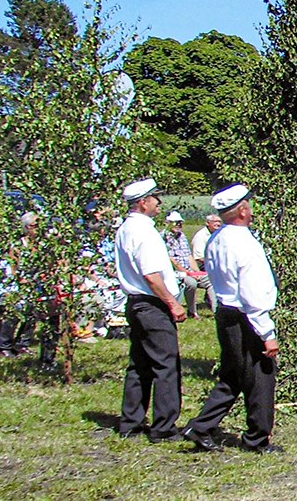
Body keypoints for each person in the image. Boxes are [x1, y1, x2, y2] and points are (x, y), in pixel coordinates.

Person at [186, 183, 281, 454]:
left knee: (233, 375)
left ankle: (202, 426)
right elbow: (253, 293)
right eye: (248, 207)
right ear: (241, 210)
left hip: (225, 312)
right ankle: (257, 438)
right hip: (245, 316)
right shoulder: (245, 243)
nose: (251, 212)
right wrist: (267, 333)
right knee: (261, 376)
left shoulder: (217, 239)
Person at [115, 177, 186, 442]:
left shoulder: (126, 228)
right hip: (152, 304)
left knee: (139, 365)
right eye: (156, 198)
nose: (159, 202)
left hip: (136, 303)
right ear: (144, 203)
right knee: (166, 365)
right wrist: (172, 302)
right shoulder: (144, 232)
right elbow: (152, 275)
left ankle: (131, 422)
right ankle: (164, 427)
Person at [163, 211, 212, 319]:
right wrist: (188, 273)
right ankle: (192, 311)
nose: (179, 225)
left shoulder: (182, 236)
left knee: (211, 279)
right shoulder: (164, 238)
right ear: (169, 223)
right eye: (176, 222)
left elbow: (189, 256)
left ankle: (216, 310)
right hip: (176, 273)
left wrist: (196, 272)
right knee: (191, 283)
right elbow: (172, 260)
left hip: (188, 270)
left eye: (180, 223)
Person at [190, 214, 221, 313]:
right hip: (200, 265)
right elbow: (199, 257)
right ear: (208, 223)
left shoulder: (218, 234)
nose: (218, 224)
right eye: (215, 221)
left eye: (219, 222)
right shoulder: (201, 236)